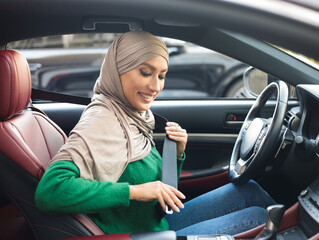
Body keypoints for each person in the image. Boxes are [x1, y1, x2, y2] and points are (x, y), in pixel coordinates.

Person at [35, 31, 276, 236]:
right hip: (136, 235)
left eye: (161, 75)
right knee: (257, 218)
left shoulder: (130, 116)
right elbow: (50, 192)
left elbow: (159, 190)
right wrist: (134, 192)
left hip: (155, 222)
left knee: (248, 191)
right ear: (118, 69)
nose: (156, 86)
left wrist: (177, 154)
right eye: (145, 72)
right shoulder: (101, 122)